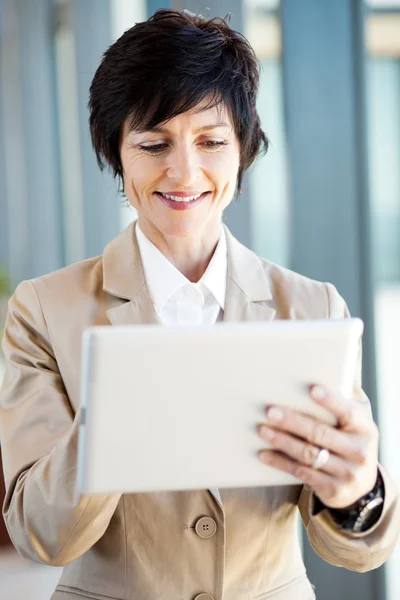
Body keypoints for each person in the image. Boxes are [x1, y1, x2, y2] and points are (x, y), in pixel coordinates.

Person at [0, 9, 399, 600]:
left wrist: (358, 491)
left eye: (211, 141)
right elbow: (41, 535)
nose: (184, 172)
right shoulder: (42, 310)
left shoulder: (315, 307)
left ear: (244, 149)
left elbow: (353, 548)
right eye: (153, 142)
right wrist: (111, 418)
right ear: (116, 152)